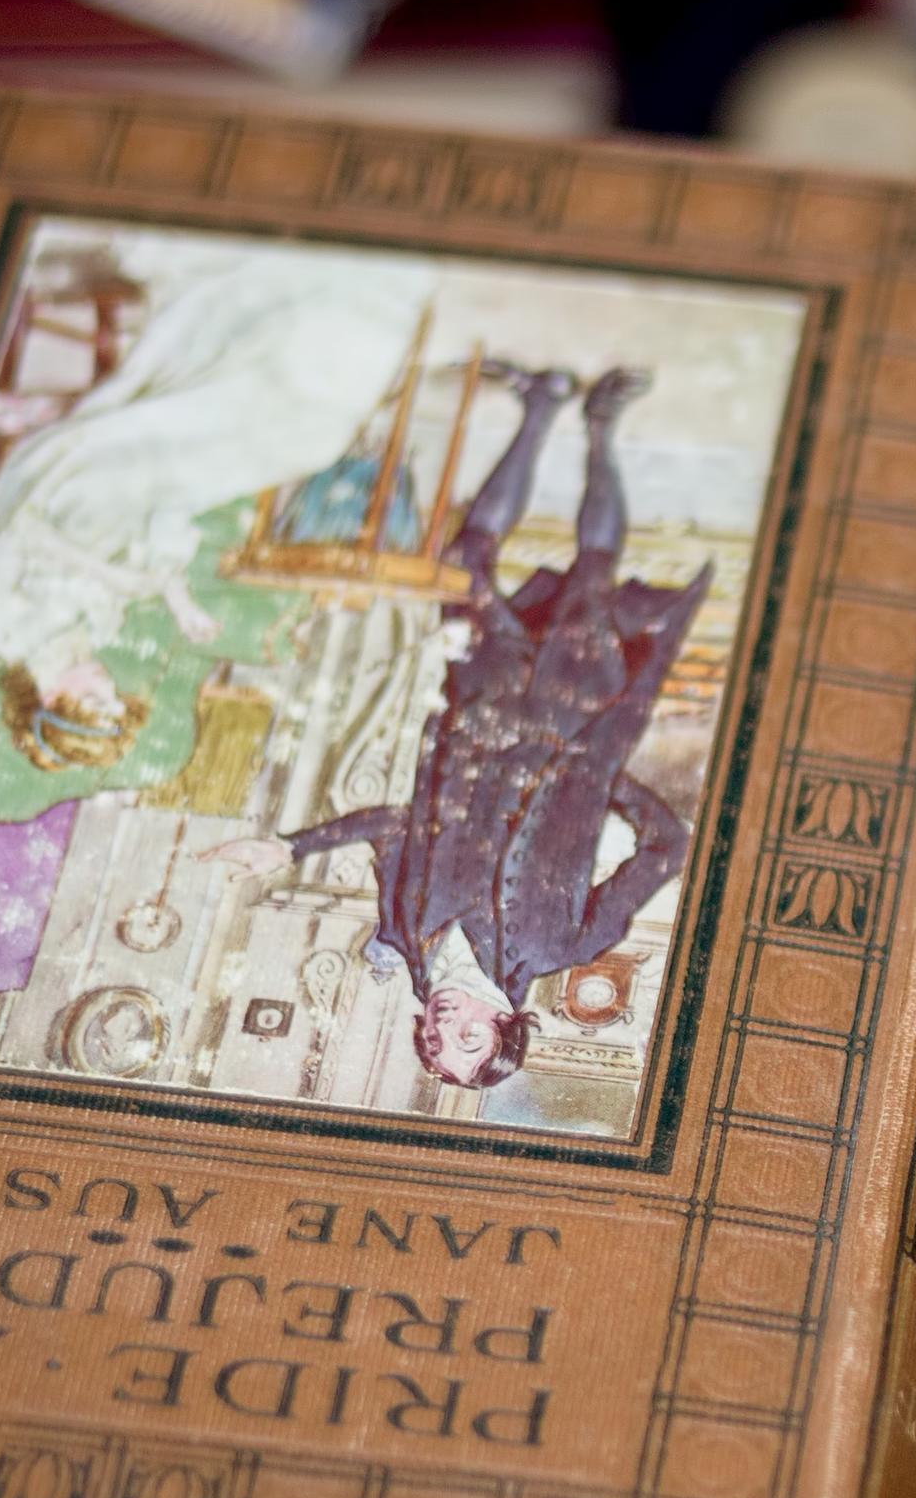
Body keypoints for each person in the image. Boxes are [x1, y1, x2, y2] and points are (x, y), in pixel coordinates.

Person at [211, 361, 709, 1092]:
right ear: (506, 1022)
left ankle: (539, 405)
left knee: (465, 559)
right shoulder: (565, 944)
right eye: (467, 1037)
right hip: (575, 709)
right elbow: (668, 847)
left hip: (478, 702)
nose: (444, 1025)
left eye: (433, 1039)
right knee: (593, 574)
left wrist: (287, 848)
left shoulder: (407, 929)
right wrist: (599, 776)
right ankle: (601, 425)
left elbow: (392, 825)